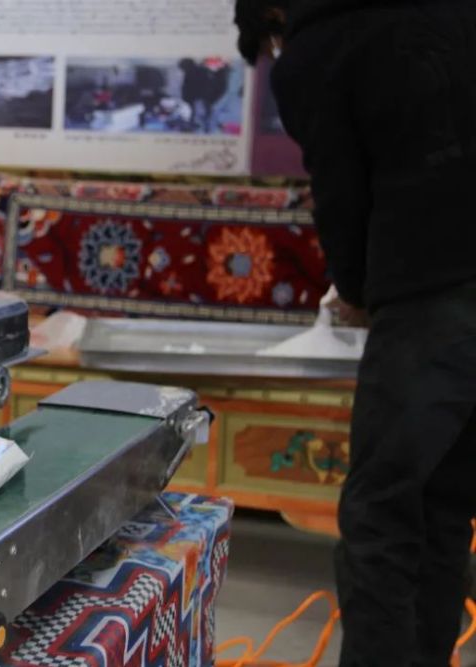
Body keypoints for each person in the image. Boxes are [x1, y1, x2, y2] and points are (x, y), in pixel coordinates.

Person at [234, 1, 476, 665]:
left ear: (273, 18)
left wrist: (357, 292)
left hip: (429, 291)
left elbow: (340, 196)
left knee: (381, 516)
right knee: (442, 506)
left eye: (271, 47)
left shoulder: (317, 49)